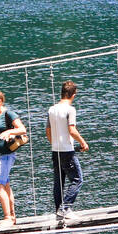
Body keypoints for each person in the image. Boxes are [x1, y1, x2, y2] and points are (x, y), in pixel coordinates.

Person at [0, 89, 27, 226]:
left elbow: (22, 129)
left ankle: (7, 217)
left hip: (6, 155)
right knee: (5, 184)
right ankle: (12, 216)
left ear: (0, 101)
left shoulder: (8, 114)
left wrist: (9, 131)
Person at [46, 80, 89, 219]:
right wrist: (83, 142)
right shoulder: (70, 109)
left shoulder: (52, 109)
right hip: (67, 152)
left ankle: (59, 210)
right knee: (78, 179)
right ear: (73, 95)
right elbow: (72, 130)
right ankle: (65, 208)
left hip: (55, 150)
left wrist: (55, 144)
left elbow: (48, 130)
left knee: (59, 182)